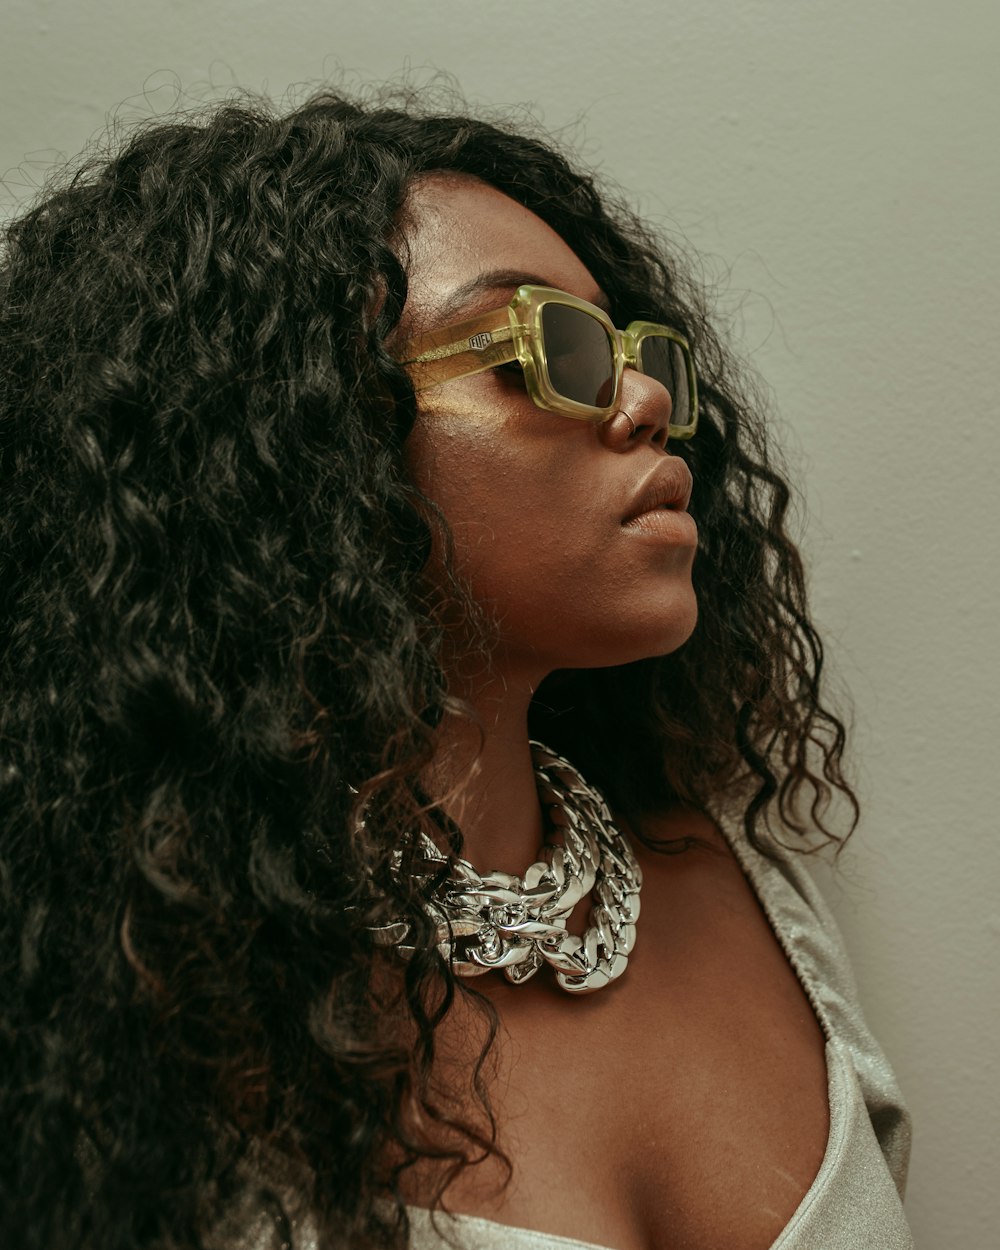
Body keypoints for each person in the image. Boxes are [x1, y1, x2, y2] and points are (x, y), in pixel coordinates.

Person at [0, 88, 913, 1250]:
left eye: (641, 357)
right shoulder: (114, 993)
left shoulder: (751, 879)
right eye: (550, 352)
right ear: (302, 438)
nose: (644, 404)